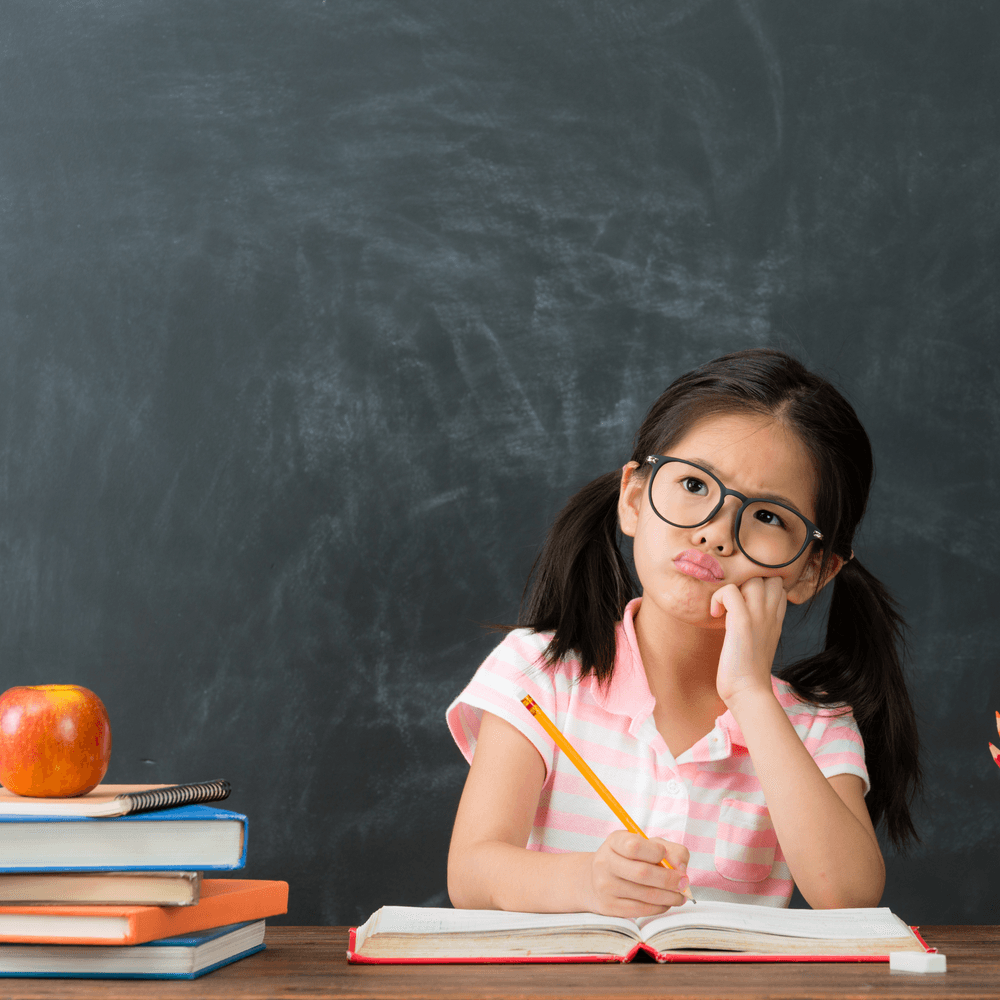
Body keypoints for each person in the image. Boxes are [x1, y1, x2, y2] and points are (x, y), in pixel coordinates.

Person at [445, 348, 921, 916]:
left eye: (768, 517)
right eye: (694, 486)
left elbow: (848, 896)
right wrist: (587, 884)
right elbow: (471, 872)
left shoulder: (814, 725)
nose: (716, 534)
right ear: (634, 498)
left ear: (812, 570)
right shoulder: (539, 671)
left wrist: (750, 695)